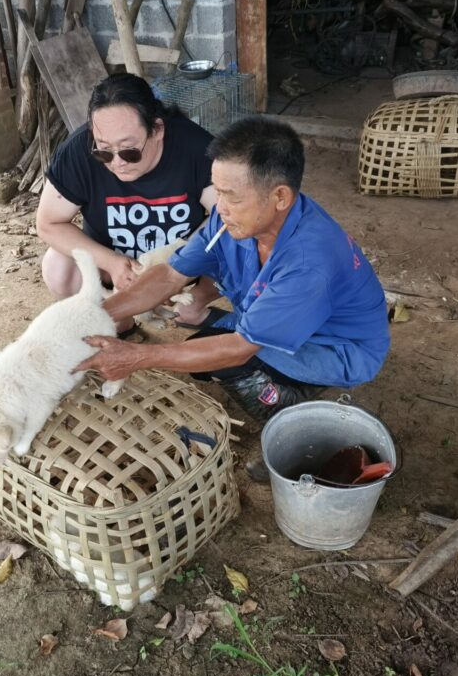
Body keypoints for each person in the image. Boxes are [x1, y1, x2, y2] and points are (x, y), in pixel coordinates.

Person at [77, 116, 390, 479]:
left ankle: (293, 417)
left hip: (337, 347)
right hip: (279, 320)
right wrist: (92, 317)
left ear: (280, 197)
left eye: (232, 197)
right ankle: (278, 370)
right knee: (202, 355)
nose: (220, 207)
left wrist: (137, 357)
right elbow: (170, 275)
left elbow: (240, 347)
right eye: (217, 191)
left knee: (225, 360)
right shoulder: (231, 220)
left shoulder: (309, 262)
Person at [35, 72, 222, 333]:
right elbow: (48, 223)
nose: (117, 162)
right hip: (113, 268)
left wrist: (176, 269)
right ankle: (119, 323)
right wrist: (111, 262)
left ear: (157, 130)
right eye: (103, 151)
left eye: (129, 150)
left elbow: (228, 217)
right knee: (57, 266)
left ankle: (193, 309)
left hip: (183, 265)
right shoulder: (79, 150)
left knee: (243, 242)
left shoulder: (196, 147)